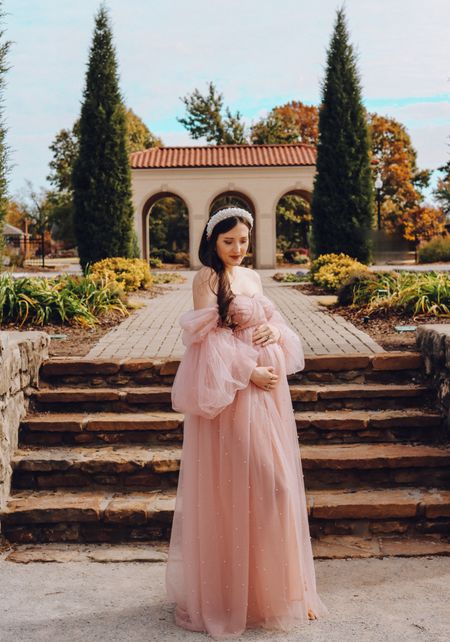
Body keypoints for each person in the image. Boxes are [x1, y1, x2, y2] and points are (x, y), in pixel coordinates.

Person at [165, 206, 329, 640]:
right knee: (246, 482)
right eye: (228, 241)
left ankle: (274, 593)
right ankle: (227, 596)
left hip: (268, 397)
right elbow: (206, 342)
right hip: (233, 396)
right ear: (212, 242)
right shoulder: (207, 279)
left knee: (277, 486)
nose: (238, 249)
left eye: (243, 240)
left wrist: (275, 334)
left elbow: (273, 321)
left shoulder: (253, 278)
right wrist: (248, 372)